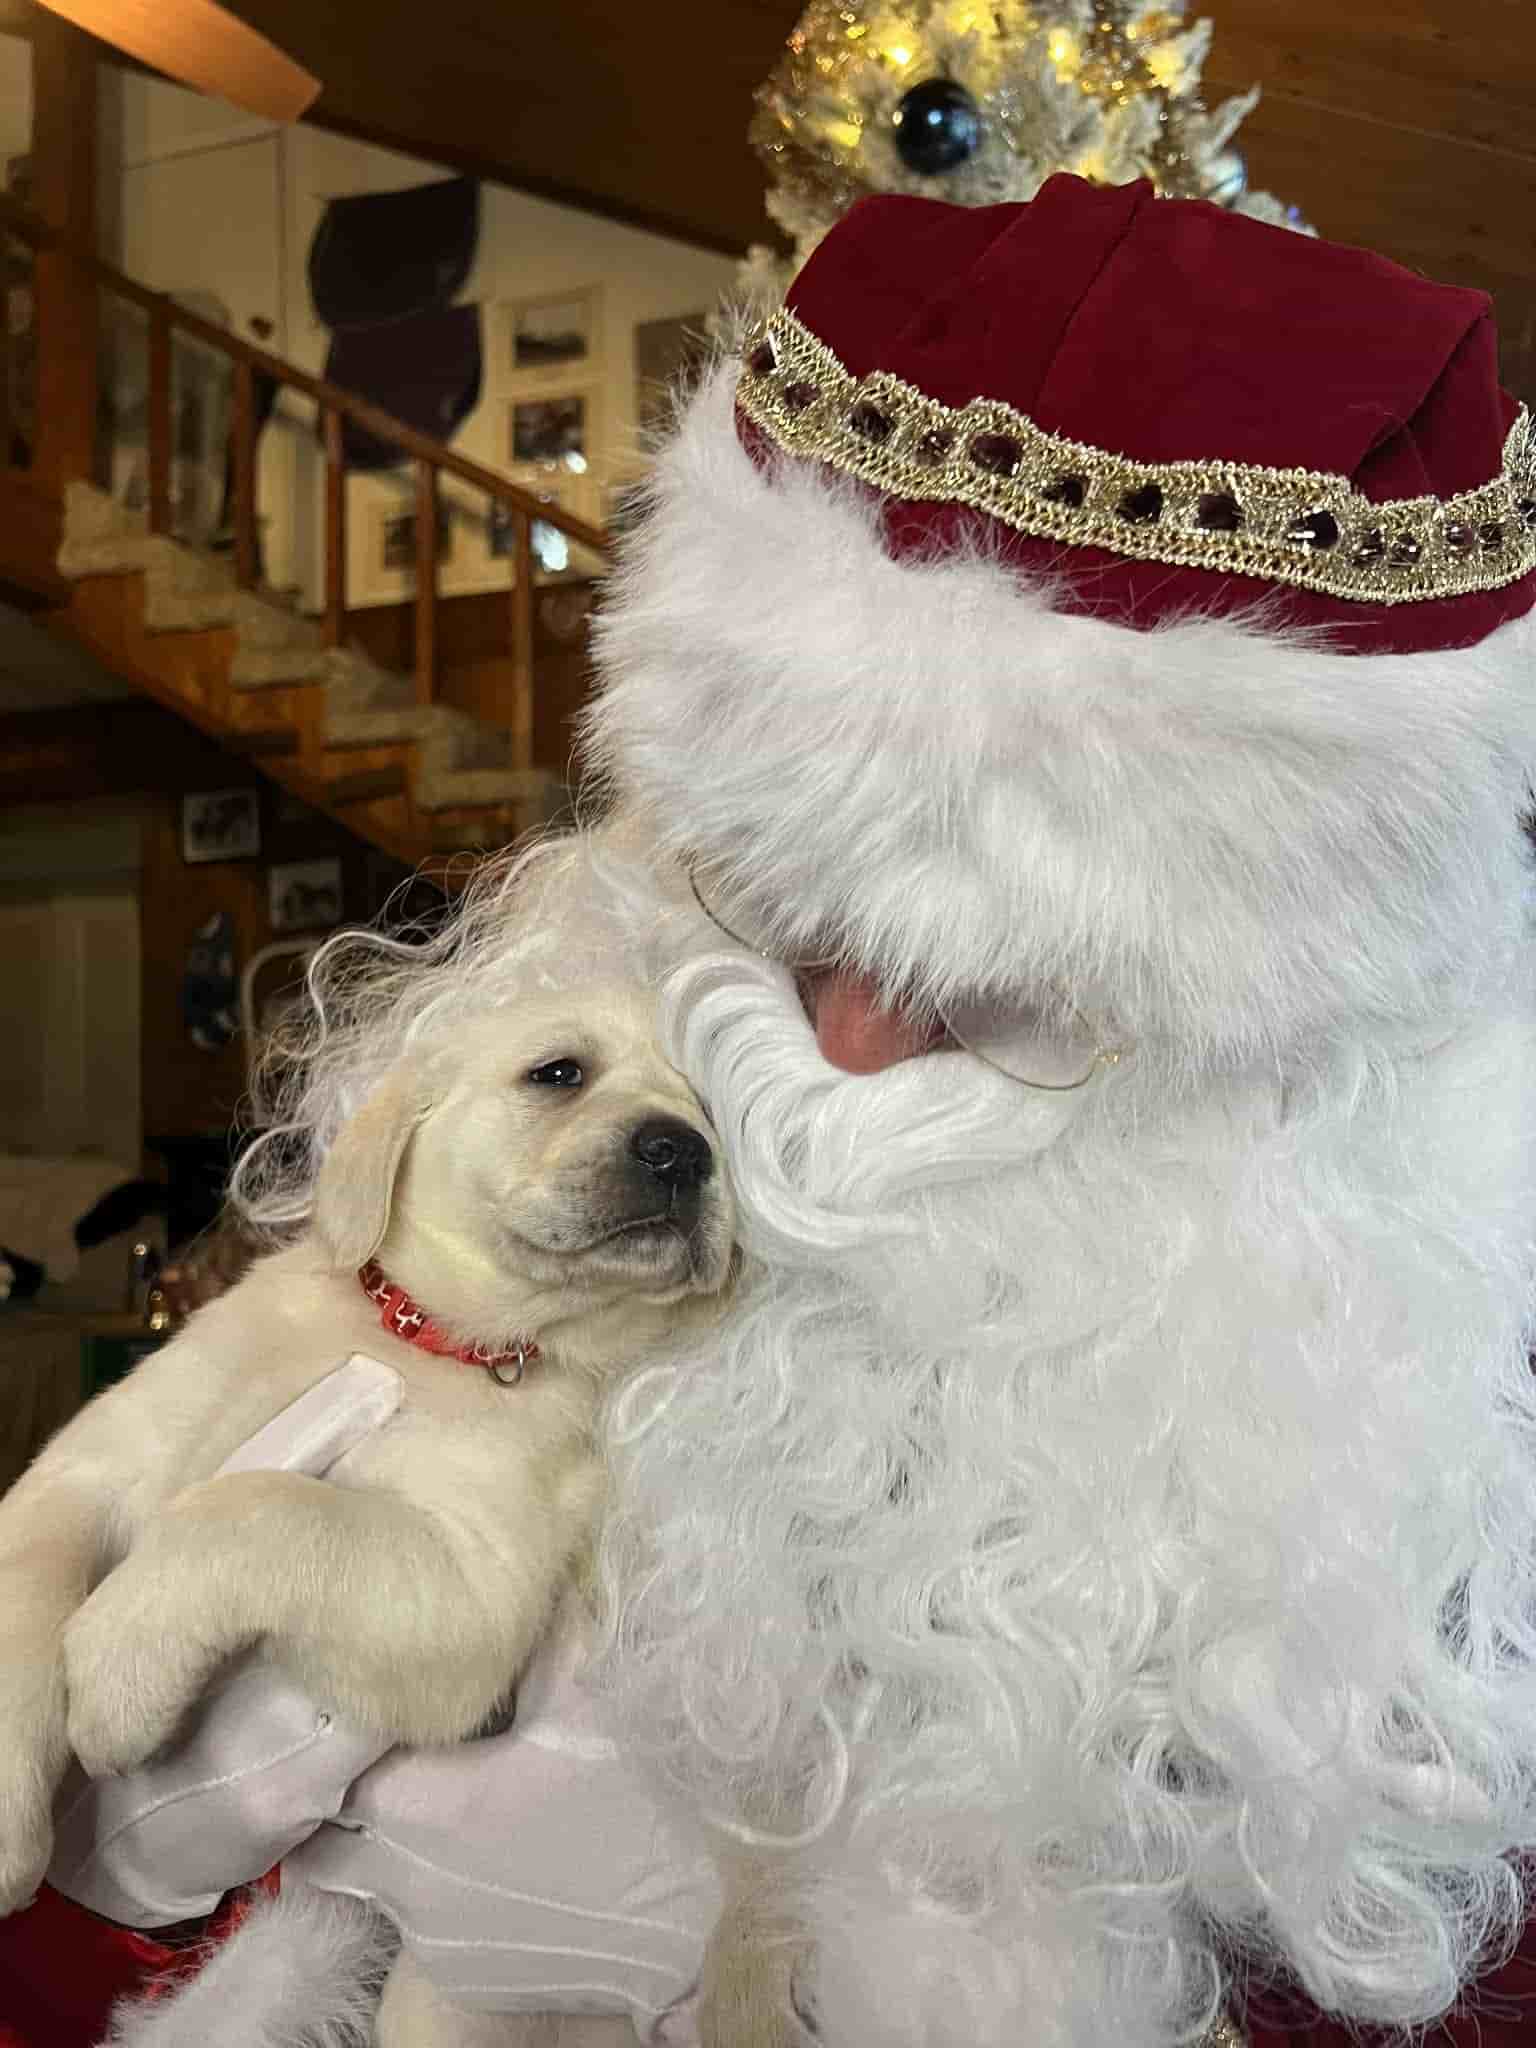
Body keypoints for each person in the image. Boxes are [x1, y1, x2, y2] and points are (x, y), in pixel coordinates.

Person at [10, 172, 1536, 2048]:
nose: (853, 1052)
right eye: (790, 914)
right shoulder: (541, 1148)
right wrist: (157, 1790)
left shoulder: (1449, 1456)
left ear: (1276, 1044)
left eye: (1023, 988)